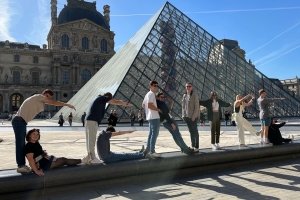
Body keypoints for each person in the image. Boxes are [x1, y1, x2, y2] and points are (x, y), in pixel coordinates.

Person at [12, 89, 75, 173]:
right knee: (20, 144)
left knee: (22, 144)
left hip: (21, 122)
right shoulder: (39, 97)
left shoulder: (40, 101)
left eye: (49, 97)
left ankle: (23, 164)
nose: (48, 99)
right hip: (19, 121)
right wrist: (66, 104)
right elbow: (53, 102)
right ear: (44, 94)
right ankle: (21, 165)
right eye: (48, 97)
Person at [82, 92, 132, 164]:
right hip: (92, 120)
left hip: (88, 120)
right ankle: (92, 158)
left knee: (89, 140)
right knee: (92, 140)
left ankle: (88, 157)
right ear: (108, 97)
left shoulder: (98, 99)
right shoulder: (102, 98)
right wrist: (124, 103)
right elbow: (115, 101)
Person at [142, 80, 161, 158]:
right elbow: (150, 105)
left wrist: (147, 111)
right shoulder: (152, 94)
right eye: (154, 85)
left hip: (150, 117)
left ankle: (148, 150)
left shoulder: (147, 94)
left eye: (157, 85)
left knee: (151, 134)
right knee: (154, 134)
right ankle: (152, 151)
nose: (156, 87)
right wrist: (158, 110)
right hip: (154, 116)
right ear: (150, 86)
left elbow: (143, 105)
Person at [182, 83, 200, 150]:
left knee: (195, 131)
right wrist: (183, 115)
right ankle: (192, 146)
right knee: (191, 132)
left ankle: (197, 147)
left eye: (189, 86)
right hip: (187, 117)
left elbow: (197, 107)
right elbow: (183, 107)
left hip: (193, 117)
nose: (188, 87)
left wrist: (194, 116)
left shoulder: (194, 95)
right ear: (185, 87)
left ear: (192, 87)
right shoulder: (184, 95)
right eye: (187, 86)